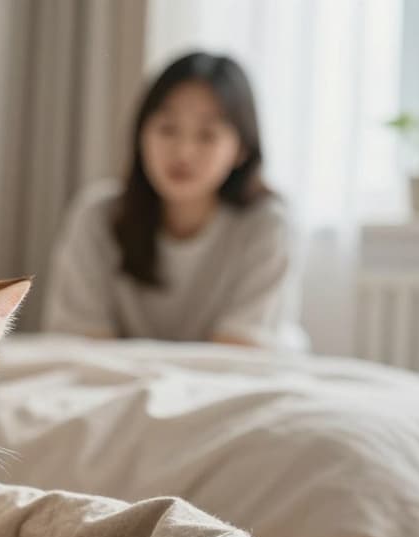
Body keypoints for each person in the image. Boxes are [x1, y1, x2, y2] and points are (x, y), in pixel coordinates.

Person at [44, 51, 300, 348]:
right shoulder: (98, 215)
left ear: (241, 149)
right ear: (142, 133)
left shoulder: (267, 223)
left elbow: (239, 355)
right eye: (167, 129)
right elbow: (79, 343)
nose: (183, 153)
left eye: (206, 135)